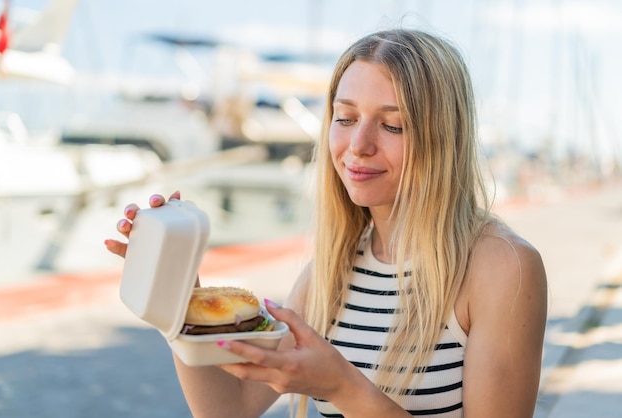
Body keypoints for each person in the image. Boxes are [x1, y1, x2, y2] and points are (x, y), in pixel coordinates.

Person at [105, 28, 548, 418]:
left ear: (443, 138)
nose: (358, 145)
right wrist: (178, 296)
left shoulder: (503, 266)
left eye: (392, 125)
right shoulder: (334, 267)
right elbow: (229, 409)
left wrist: (340, 386)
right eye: (346, 118)